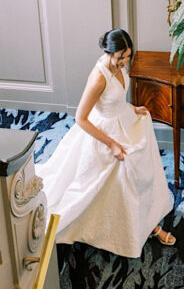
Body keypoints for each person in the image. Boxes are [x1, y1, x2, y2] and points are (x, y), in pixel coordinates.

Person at [38, 29, 176, 256]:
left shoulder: (119, 66)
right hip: (104, 134)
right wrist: (111, 144)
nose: (124, 62)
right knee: (124, 176)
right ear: (108, 52)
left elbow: (116, 100)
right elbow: (81, 119)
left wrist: (132, 109)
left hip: (125, 122)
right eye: (120, 57)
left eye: (127, 56)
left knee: (142, 173)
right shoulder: (98, 77)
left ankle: (148, 223)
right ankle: (144, 228)